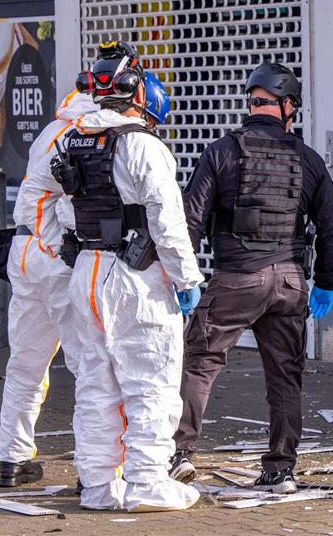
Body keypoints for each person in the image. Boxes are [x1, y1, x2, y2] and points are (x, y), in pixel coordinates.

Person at [170, 62, 333, 494]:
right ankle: (281, 467)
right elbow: (331, 224)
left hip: (236, 278)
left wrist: (182, 276)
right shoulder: (308, 159)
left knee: (201, 363)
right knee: (285, 376)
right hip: (289, 282)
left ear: (252, 102)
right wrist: (326, 281)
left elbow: (190, 218)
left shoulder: (222, 152)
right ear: (287, 107)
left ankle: (177, 453)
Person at [59, 41, 204, 511]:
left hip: (88, 269)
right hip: (136, 276)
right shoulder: (143, 146)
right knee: (152, 379)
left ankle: (99, 487)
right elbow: (166, 219)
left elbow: (65, 211)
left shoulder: (73, 141)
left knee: (96, 383)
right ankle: (146, 482)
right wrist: (186, 279)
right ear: (135, 89)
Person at [0, 90, 98, 487]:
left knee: (25, 364)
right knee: (88, 365)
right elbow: (60, 203)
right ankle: (95, 467)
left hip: (23, 252)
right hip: (52, 253)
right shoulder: (85, 135)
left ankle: (12, 458)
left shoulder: (53, 129)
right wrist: (65, 248)